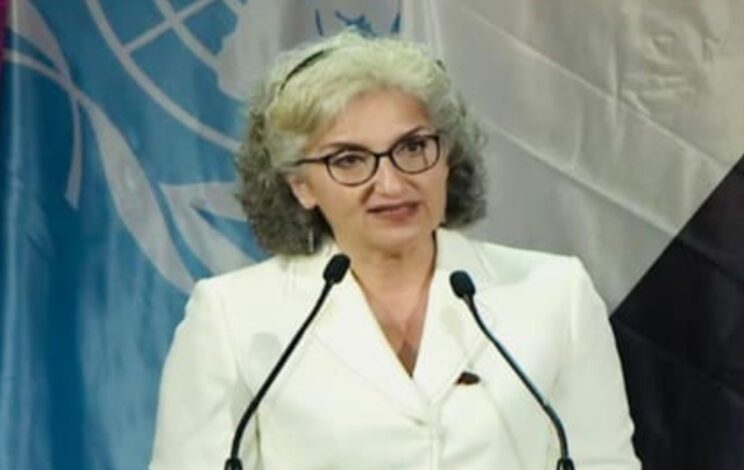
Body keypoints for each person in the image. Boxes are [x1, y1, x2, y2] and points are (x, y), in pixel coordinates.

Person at [149, 31, 640, 469]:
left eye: (412, 148)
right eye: (349, 159)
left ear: (447, 157)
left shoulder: (555, 295)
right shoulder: (232, 317)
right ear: (301, 185)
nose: (391, 183)